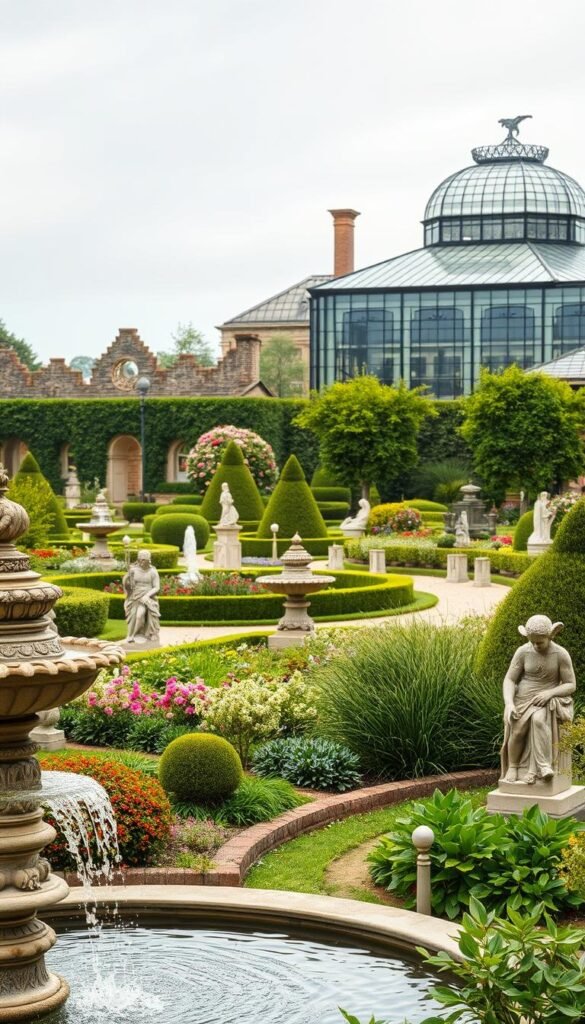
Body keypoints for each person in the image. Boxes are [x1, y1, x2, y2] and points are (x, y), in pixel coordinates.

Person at [501, 615, 575, 785]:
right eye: (532, 642)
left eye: (539, 642)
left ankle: (544, 766)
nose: (535, 645)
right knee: (518, 730)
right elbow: (510, 679)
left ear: (550, 636)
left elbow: (571, 685)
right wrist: (509, 703)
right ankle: (513, 766)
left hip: (545, 699)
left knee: (539, 720)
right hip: (523, 698)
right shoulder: (523, 651)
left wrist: (549, 693)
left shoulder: (560, 654)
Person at [123, 549, 161, 643]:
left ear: (149, 560)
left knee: (139, 615)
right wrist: (128, 578)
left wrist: (147, 596)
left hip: (147, 598)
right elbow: (128, 586)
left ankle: (136, 635)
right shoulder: (134, 570)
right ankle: (131, 635)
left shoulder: (153, 572)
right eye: (139, 559)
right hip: (135, 597)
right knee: (133, 615)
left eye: (143, 560)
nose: (141, 562)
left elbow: (156, 587)